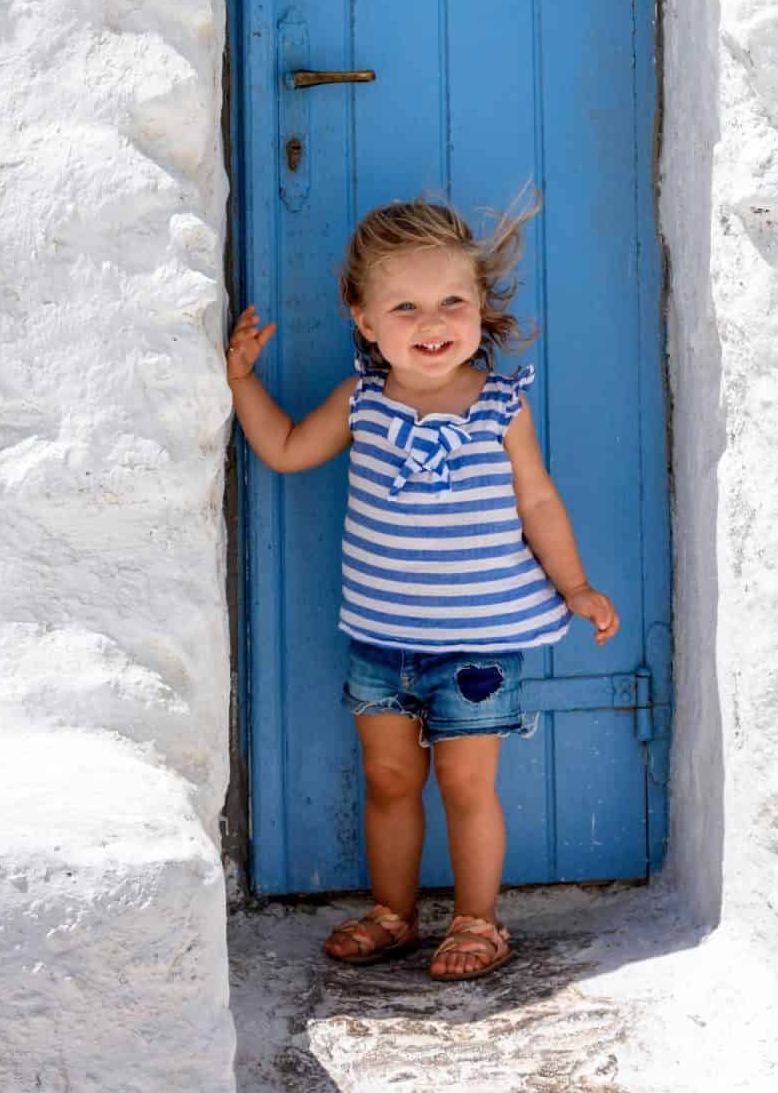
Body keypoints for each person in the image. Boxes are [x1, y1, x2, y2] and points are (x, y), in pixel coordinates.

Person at [226, 196, 620, 981]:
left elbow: (538, 500)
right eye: (405, 306)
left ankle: (479, 920)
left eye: (452, 302)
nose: (432, 322)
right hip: (381, 641)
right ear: (365, 319)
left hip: (478, 647)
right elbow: (286, 449)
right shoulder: (362, 402)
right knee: (389, 780)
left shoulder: (500, 404)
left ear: (480, 310)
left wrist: (574, 585)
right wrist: (241, 379)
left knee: (467, 785)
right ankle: (393, 913)